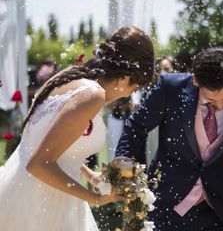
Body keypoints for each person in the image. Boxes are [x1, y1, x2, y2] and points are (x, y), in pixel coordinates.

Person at [0, 26, 154, 231]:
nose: (127, 95)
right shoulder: (93, 95)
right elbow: (39, 163)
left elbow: (54, 143)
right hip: (41, 203)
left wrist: (90, 175)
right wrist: (94, 198)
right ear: (124, 78)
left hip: (25, 189)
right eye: (132, 89)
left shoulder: (71, 77)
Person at [116, 47, 223, 230]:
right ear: (195, 80)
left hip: (220, 209)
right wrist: (123, 164)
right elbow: (136, 127)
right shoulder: (170, 88)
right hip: (167, 205)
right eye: (211, 100)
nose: (220, 105)